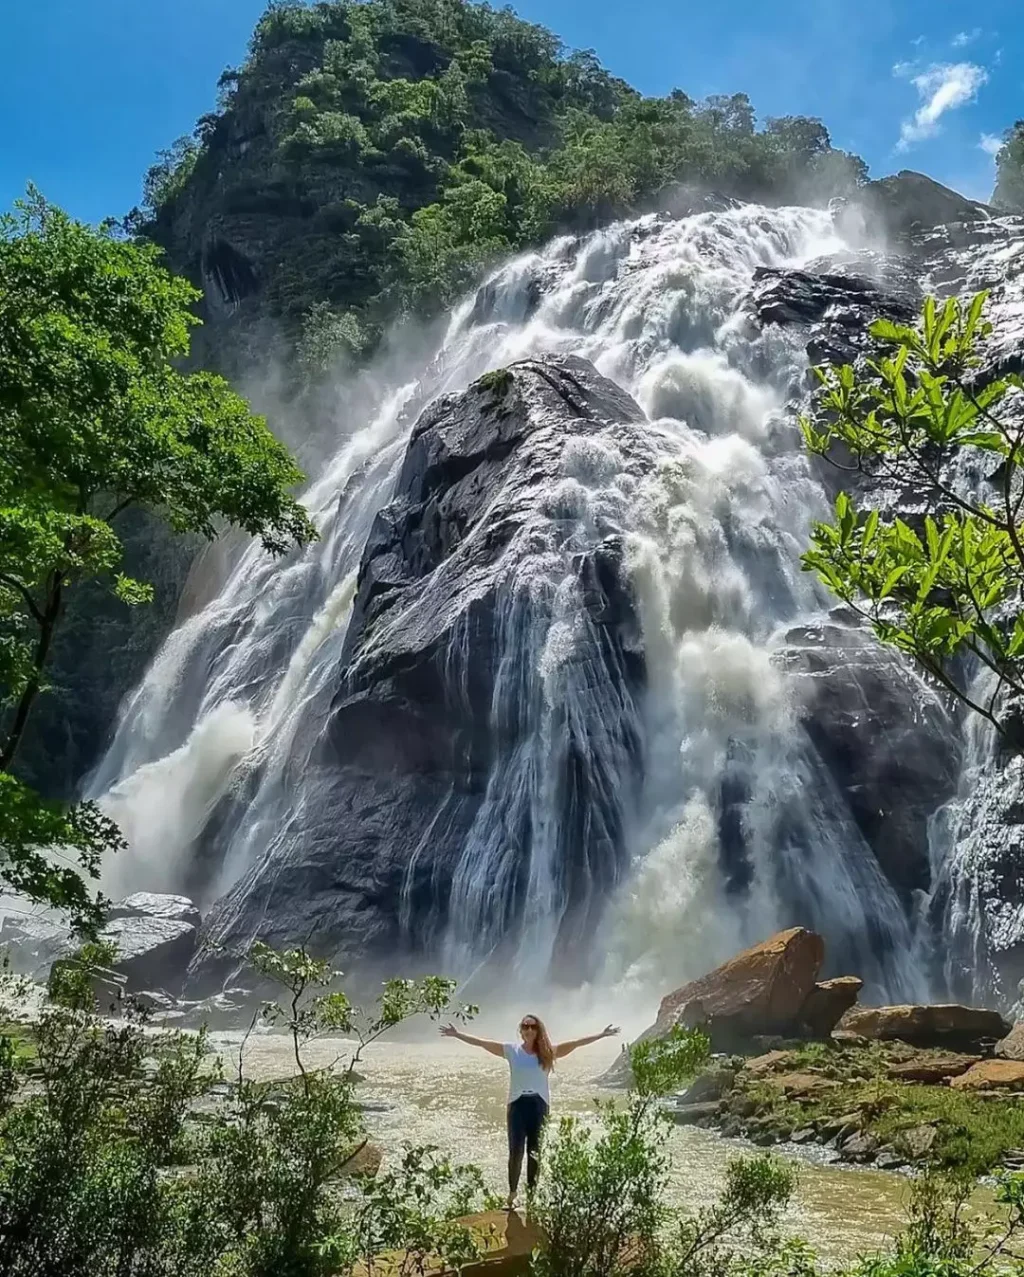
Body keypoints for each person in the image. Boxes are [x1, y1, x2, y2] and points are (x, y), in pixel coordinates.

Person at [440, 1015, 620, 1208]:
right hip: (517, 1105)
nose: (529, 1030)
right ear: (521, 1030)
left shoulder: (548, 1052)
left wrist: (601, 1035)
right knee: (515, 1151)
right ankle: (512, 1194)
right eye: (525, 1026)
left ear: (538, 1030)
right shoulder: (512, 1050)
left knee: (535, 1152)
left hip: (539, 1105)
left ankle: (532, 1197)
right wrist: (457, 1034)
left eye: (533, 1027)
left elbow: (576, 1043)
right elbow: (483, 1043)